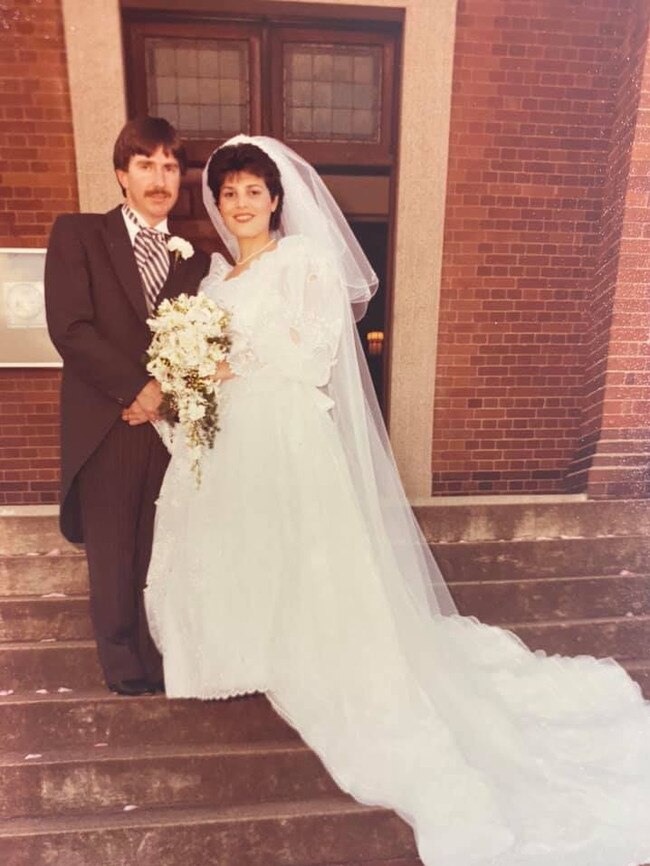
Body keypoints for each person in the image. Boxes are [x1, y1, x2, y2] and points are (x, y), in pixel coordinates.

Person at [143, 135, 650, 866]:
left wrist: (228, 363)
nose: (240, 203)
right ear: (215, 203)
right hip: (232, 439)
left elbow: (316, 351)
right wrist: (187, 385)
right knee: (241, 544)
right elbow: (202, 372)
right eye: (227, 193)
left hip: (285, 428)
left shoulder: (305, 263)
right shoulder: (216, 284)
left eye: (253, 190)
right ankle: (242, 648)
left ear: (277, 198)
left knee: (302, 551)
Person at [45, 117, 210, 696]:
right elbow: (71, 327)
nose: (160, 177)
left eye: (170, 166)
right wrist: (137, 388)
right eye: (146, 164)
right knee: (113, 545)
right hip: (109, 420)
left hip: (166, 426)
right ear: (122, 174)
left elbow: (205, 340)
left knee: (157, 542)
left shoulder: (196, 258)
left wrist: (168, 395)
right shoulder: (79, 235)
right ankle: (120, 661)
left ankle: (156, 649)